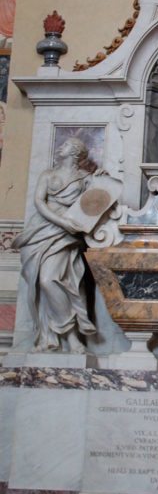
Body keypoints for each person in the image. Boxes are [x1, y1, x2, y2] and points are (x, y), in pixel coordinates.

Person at [12, 138, 98, 353]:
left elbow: (97, 200)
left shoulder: (85, 178)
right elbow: (39, 202)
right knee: (43, 282)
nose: (62, 146)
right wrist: (62, 222)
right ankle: (57, 337)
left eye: (67, 145)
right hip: (42, 230)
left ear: (76, 152)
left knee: (52, 280)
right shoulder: (48, 175)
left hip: (65, 236)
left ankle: (71, 336)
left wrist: (101, 180)